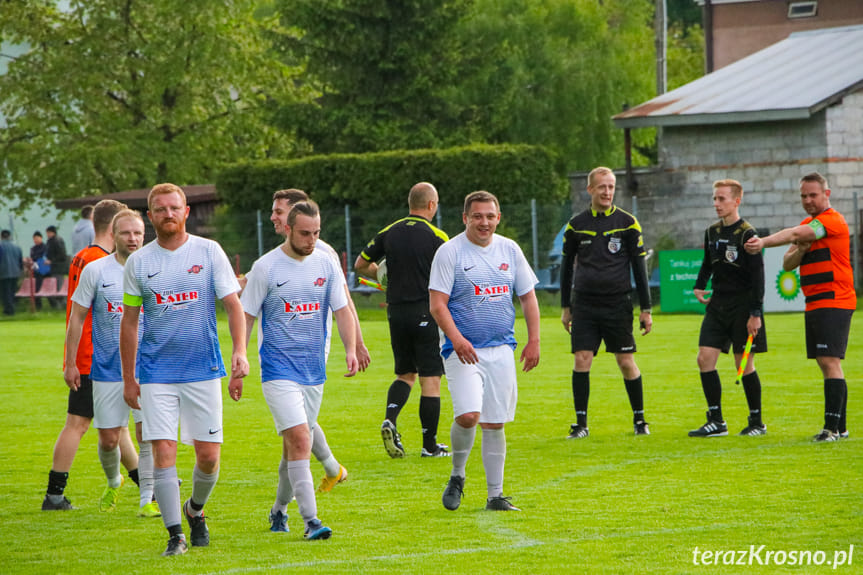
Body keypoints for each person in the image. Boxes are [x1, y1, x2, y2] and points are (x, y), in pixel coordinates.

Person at [121, 183, 249, 556]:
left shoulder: (208, 252)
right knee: (163, 451)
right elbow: (129, 323)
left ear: (186, 211)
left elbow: (233, 305)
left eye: (174, 208)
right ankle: (175, 534)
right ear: (151, 216)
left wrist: (240, 351)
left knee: (208, 458)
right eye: (160, 209)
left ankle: (194, 510)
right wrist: (130, 378)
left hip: (203, 369)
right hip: (156, 373)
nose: (168, 214)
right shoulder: (139, 262)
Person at [234, 200, 358, 539]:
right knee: (301, 440)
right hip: (278, 369)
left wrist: (350, 349)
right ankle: (312, 521)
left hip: (313, 369)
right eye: (305, 233)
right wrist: (239, 356)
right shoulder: (266, 267)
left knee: (294, 448)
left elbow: (343, 310)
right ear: (288, 229)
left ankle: (278, 511)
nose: (312, 239)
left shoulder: (326, 264)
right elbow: (246, 315)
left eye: (317, 232)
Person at [430, 190, 540, 512]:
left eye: (490, 216)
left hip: (501, 348)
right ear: (465, 218)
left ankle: (495, 496)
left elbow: (528, 297)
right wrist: (458, 339)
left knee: (494, 422)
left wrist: (533, 340)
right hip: (461, 349)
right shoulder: (450, 253)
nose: (484, 222)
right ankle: (458, 475)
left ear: (498, 218)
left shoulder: (510, 249)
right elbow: (437, 305)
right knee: (468, 415)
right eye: (477, 216)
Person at [258, 188, 369, 493]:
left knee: (298, 430)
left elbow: (344, 303)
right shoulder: (277, 257)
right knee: (298, 428)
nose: (273, 217)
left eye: (278, 211)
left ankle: (288, 505)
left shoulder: (321, 253)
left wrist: (356, 344)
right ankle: (328, 473)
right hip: (279, 353)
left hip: (310, 350)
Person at [42, 199, 140, 511]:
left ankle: (146, 481)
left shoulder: (81, 256)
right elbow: (83, 315)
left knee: (116, 429)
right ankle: (54, 493)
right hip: (96, 357)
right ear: (115, 228)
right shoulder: (100, 263)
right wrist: (73, 361)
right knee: (78, 423)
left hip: (94, 357)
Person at [744, 172, 856, 442]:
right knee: (824, 361)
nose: (807, 200)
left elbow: (795, 233)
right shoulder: (809, 224)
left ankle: (831, 429)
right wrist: (803, 249)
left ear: (826, 195)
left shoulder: (831, 221)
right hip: (815, 302)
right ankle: (839, 427)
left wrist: (763, 242)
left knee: (829, 360)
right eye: (804, 196)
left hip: (835, 299)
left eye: (813, 195)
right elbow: (788, 264)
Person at [63, 209, 160, 516]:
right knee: (109, 439)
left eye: (138, 233)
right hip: (106, 368)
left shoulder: (154, 268)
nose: (133, 239)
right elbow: (76, 317)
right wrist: (70, 363)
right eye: (126, 233)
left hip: (148, 368)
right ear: (113, 235)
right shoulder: (97, 270)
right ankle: (114, 480)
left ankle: (148, 499)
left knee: (147, 434)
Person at [355, 182, 450, 458]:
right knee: (431, 380)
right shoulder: (438, 236)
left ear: (411, 203)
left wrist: (382, 277)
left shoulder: (389, 232)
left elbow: (360, 264)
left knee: (405, 374)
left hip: (395, 312)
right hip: (426, 312)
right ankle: (430, 446)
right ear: (431, 205)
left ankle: (390, 420)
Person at [560, 167, 653, 439]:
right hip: (585, 305)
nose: (607, 192)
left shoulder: (628, 223)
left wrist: (646, 309)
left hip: (618, 304)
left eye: (611, 186)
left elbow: (639, 269)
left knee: (625, 361)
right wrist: (566, 307)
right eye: (602, 187)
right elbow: (567, 269)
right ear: (590, 190)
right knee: (582, 358)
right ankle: (581, 424)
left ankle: (639, 420)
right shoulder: (576, 225)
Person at [689, 179, 767, 437]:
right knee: (704, 358)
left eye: (721, 199)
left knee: (742, 364)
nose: (716, 204)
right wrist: (700, 285)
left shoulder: (747, 234)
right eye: (714, 199)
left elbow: (758, 277)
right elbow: (706, 263)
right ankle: (716, 420)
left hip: (743, 307)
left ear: (736, 200)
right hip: (718, 304)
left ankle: (756, 422)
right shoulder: (711, 231)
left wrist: (755, 313)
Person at [44, 225, 69, 308]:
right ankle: (59, 305)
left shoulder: (57, 241)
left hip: (58, 268)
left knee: (59, 287)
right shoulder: (50, 241)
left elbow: (62, 255)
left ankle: (63, 305)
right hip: (54, 268)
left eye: (48, 232)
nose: (47, 234)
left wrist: (52, 260)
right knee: (55, 286)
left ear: (52, 232)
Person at [0, 230, 23, 315]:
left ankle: (9, 310)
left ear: (1, 236)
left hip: (3, 273)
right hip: (15, 272)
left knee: (5, 293)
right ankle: (11, 308)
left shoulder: (1, 246)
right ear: (9, 236)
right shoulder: (17, 247)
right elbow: (20, 261)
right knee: (12, 292)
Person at [29, 231, 48, 310]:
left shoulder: (46, 247)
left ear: (41, 238)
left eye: (37, 238)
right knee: (37, 288)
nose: (35, 240)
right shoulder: (33, 249)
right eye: (34, 239)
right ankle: (38, 307)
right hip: (37, 271)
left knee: (45, 288)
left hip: (45, 271)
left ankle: (54, 305)